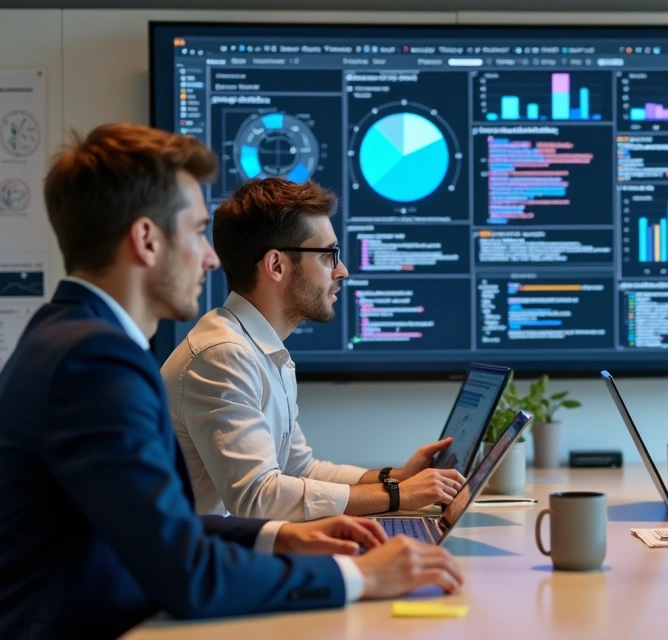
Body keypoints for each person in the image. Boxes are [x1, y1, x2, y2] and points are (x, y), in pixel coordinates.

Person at [0, 124, 462, 639]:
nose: (212, 257)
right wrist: (355, 573)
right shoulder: (95, 362)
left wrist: (275, 537)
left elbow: (162, 525)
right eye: (197, 231)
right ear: (147, 240)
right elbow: (187, 572)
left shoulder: (71, 339)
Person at [162, 177, 464, 521]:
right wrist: (396, 495)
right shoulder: (222, 355)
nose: (342, 271)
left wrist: (395, 478)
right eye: (327, 255)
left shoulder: (261, 350)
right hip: (203, 566)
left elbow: (300, 469)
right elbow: (257, 496)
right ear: (276, 265)